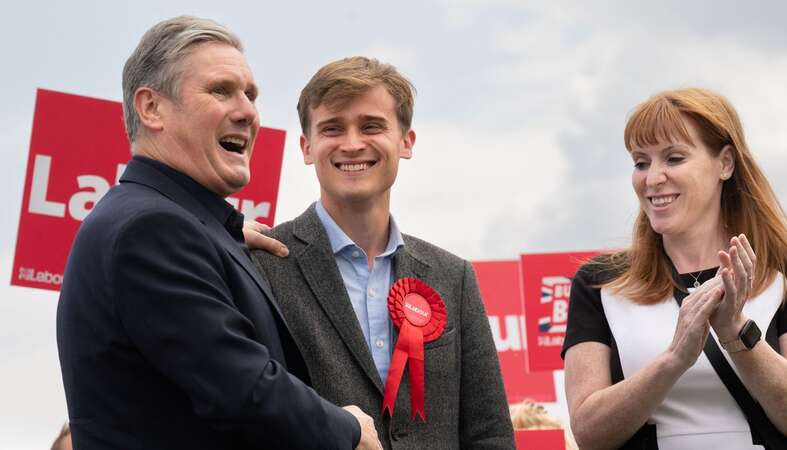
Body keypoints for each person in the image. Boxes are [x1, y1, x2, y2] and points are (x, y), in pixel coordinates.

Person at [56, 16, 380, 450]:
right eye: (220, 90)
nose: (248, 112)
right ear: (151, 108)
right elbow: (243, 389)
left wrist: (222, 232)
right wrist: (349, 429)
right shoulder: (150, 230)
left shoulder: (173, 223)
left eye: (251, 95)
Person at [248, 57, 515, 449]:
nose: (352, 143)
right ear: (307, 147)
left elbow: (489, 432)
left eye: (371, 126)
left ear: (406, 142)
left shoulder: (452, 276)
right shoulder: (263, 263)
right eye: (332, 128)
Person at [562, 88, 787, 449]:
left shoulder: (785, 271)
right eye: (641, 163)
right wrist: (674, 359)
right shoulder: (600, 282)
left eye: (673, 158)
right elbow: (589, 433)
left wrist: (737, 333)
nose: (653, 179)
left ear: (725, 164)